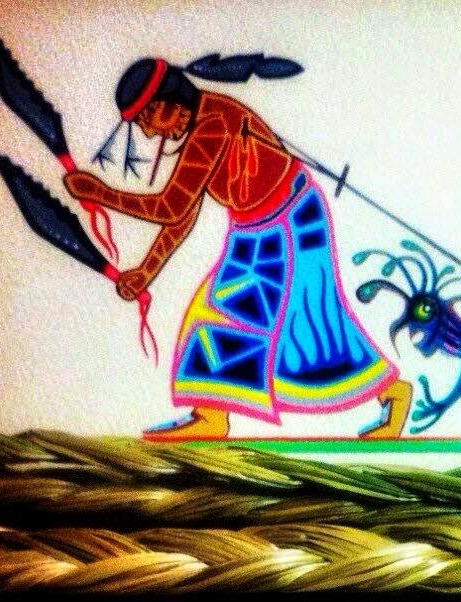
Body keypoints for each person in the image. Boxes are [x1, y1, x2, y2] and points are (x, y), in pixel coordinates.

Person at [63, 54, 412, 439]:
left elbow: (171, 207)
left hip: (290, 226)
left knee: (309, 324)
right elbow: (182, 215)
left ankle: (391, 394)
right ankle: (212, 414)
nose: (147, 133)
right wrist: (146, 271)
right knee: (237, 314)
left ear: (168, 103)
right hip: (255, 230)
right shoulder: (202, 124)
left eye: (147, 118)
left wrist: (102, 194)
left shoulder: (212, 125)